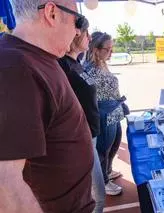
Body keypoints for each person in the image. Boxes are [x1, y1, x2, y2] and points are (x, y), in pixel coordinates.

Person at [0, 1, 95, 213]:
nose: (78, 30)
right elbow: (4, 185)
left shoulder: (36, 57)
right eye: (78, 20)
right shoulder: (16, 66)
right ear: (51, 13)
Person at [57, 18, 105, 213]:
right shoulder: (62, 65)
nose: (90, 37)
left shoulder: (77, 63)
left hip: (91, 135)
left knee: (96, 196)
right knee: (97, 197)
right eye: (87, 33)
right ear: (76, 35)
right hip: (80, 139)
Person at [84, 32, 124, 196]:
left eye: (112, 49)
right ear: (95, 49)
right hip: (104, 114)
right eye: (107, 49)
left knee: (113, 146)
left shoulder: (102, 64)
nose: (111, 53)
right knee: (103, 150)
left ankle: (107, 171)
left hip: (114, 111)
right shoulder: (89, 69)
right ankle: (104, 182)